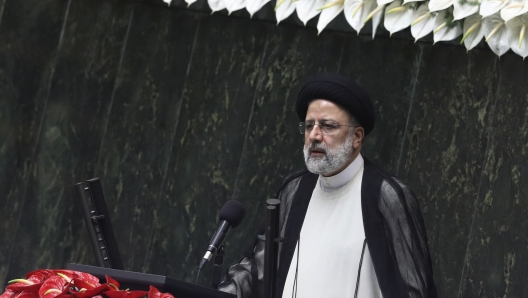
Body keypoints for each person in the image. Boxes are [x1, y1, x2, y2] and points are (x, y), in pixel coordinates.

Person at [219, 73, 437, 298]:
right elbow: (259, 269)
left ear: (356, 136)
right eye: (309, 125)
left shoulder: (387, 196)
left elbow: (414, 290)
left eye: (328, 126)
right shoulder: (294, 190)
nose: (314, 135)